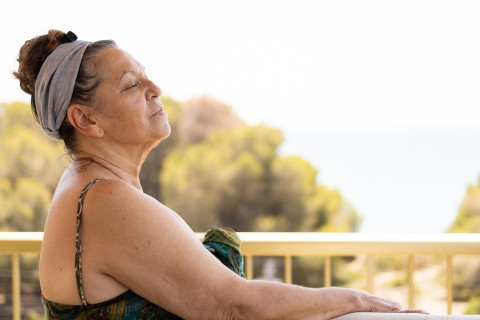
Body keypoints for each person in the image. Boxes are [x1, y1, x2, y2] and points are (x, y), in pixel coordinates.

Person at [14, 30, 422, 319]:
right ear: (86, 119)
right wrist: (356, 301)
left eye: (147, 75)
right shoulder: (103, 200)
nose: (155, 88)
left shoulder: (90, 190)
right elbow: (232, 308)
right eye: (131, 85)